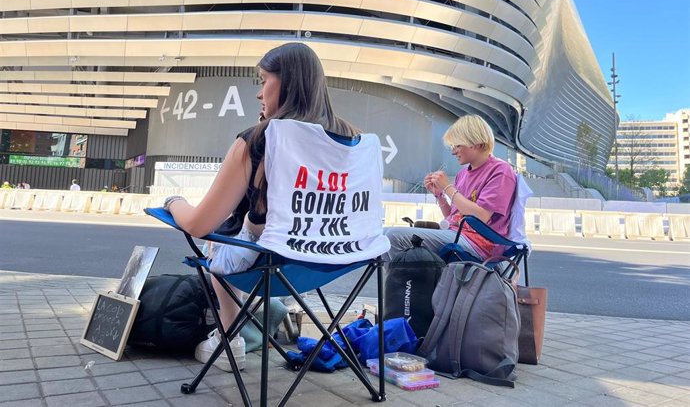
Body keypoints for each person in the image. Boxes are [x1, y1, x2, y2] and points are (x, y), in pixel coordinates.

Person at [163, 42, 358, 372]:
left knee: (215, 243)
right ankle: (253, 324)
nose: (259, 92)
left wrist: (173, 202)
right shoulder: (353, 140)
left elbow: (197, 223)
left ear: (287, 82)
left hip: (268, 266)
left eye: (263, 79)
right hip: (328, 261)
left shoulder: (259, 138)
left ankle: (230, 339)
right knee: (236, 237)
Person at [385, 115, 517, 262]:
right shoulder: (463, 174)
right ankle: (406, 284)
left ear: (476, 143)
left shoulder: (500, 170)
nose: (453, 152)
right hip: (457, 234)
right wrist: (440, 195)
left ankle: (404, 284)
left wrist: (447, 187)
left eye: (457, 145)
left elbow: (481, 218)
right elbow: (454, 217)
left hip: (480, 244)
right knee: (384, 236)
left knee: (393, 236)